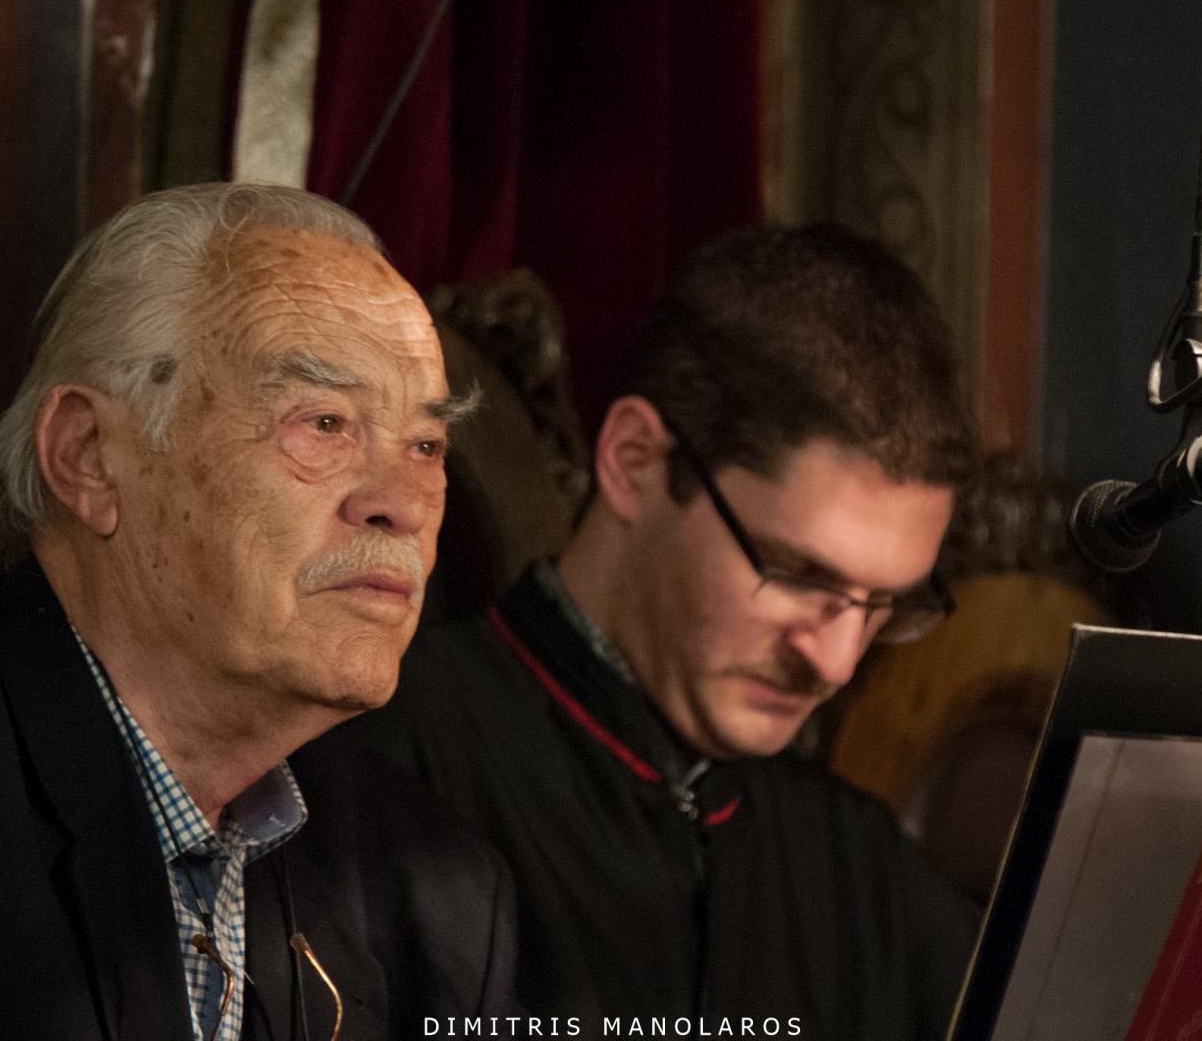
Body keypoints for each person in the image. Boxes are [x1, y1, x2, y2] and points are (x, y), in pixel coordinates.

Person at [0, 183, 518, 1041]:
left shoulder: (437, 894)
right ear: (91, 456)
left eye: (426, 445)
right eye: (325, 422)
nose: (400, 503)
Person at [347, 223, 983, 1040]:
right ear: (635, 460)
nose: (835, 662)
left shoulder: (860, 864)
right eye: (799, 573)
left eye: (884, 601)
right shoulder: (383, 765)